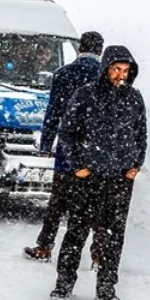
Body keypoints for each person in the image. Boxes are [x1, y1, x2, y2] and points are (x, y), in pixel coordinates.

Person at [50, 45, 147, 300]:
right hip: (87, 177)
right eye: (116, 69)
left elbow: (141, 135)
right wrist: (79, 165)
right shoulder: (85, 96)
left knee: (114, 235)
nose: (121, 75)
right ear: (105, 68)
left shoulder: (134, 99)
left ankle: (106, 287)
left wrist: (136, 164)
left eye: (126, 70)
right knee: (77, 231)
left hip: (119, 180)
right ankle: (64, 283)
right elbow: (67, 133)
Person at [24, 31, 104, 262]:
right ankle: (98, 255)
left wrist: (47, 143)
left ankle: (45, 247)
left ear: (80, 48)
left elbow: (53, 112)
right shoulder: (105, 75)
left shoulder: (63, 74)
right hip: (96, 149)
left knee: (58, 201)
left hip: (68, 147)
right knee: (97, 204)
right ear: (100, 50)